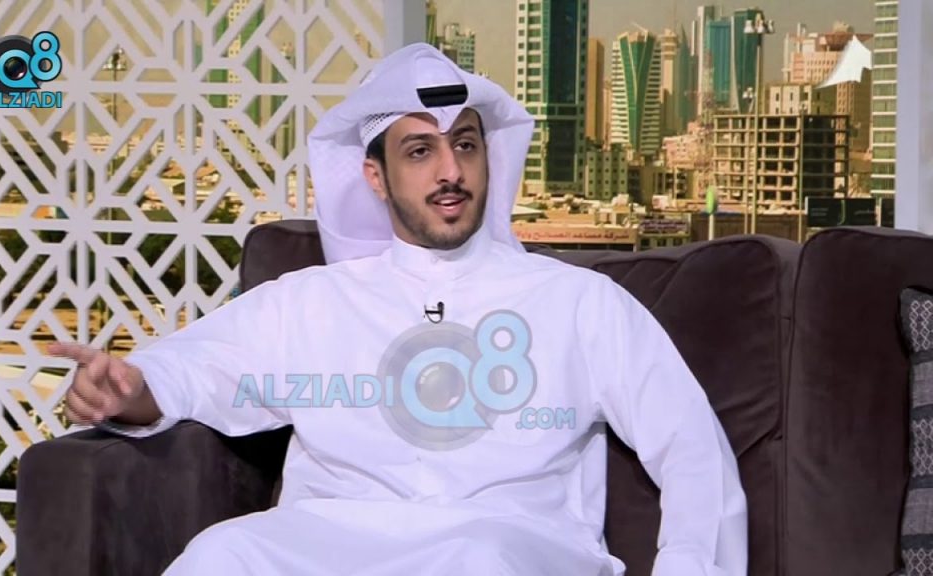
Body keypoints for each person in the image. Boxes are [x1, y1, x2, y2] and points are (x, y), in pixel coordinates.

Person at [50, 43, 747, 575]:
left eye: (465, 145)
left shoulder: (579, 302)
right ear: (375, 177)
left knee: (475, 557)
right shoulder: (315, 301)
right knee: (222, 553)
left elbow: (690, 445)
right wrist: (131, 390)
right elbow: (197, 366)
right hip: (333, 541)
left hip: (508, 546)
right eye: (420, 151)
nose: (451, 171)